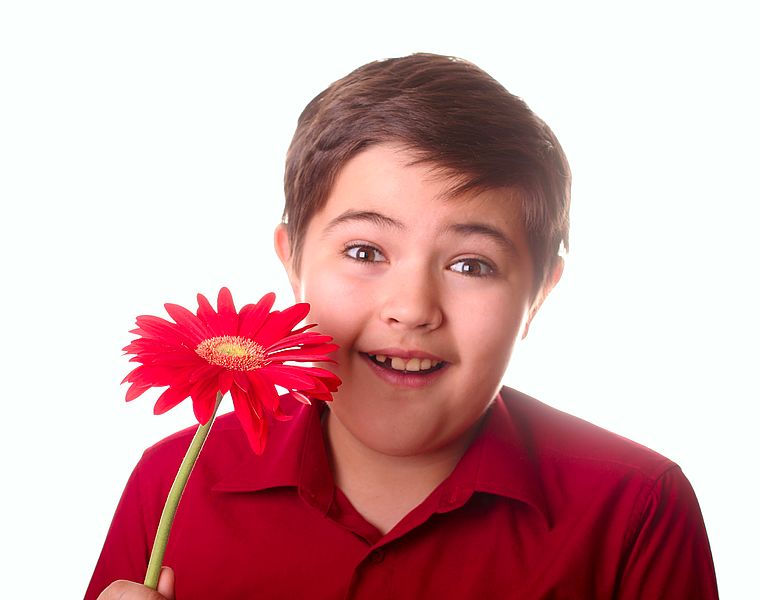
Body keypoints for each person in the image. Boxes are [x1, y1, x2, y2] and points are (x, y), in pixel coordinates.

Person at [87, 53, 719, 599]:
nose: (413, 307)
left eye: (472, 264)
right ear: (292, 261)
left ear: (539, 294)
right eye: (365, 252)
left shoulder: (637, 510)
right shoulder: (171, 484)